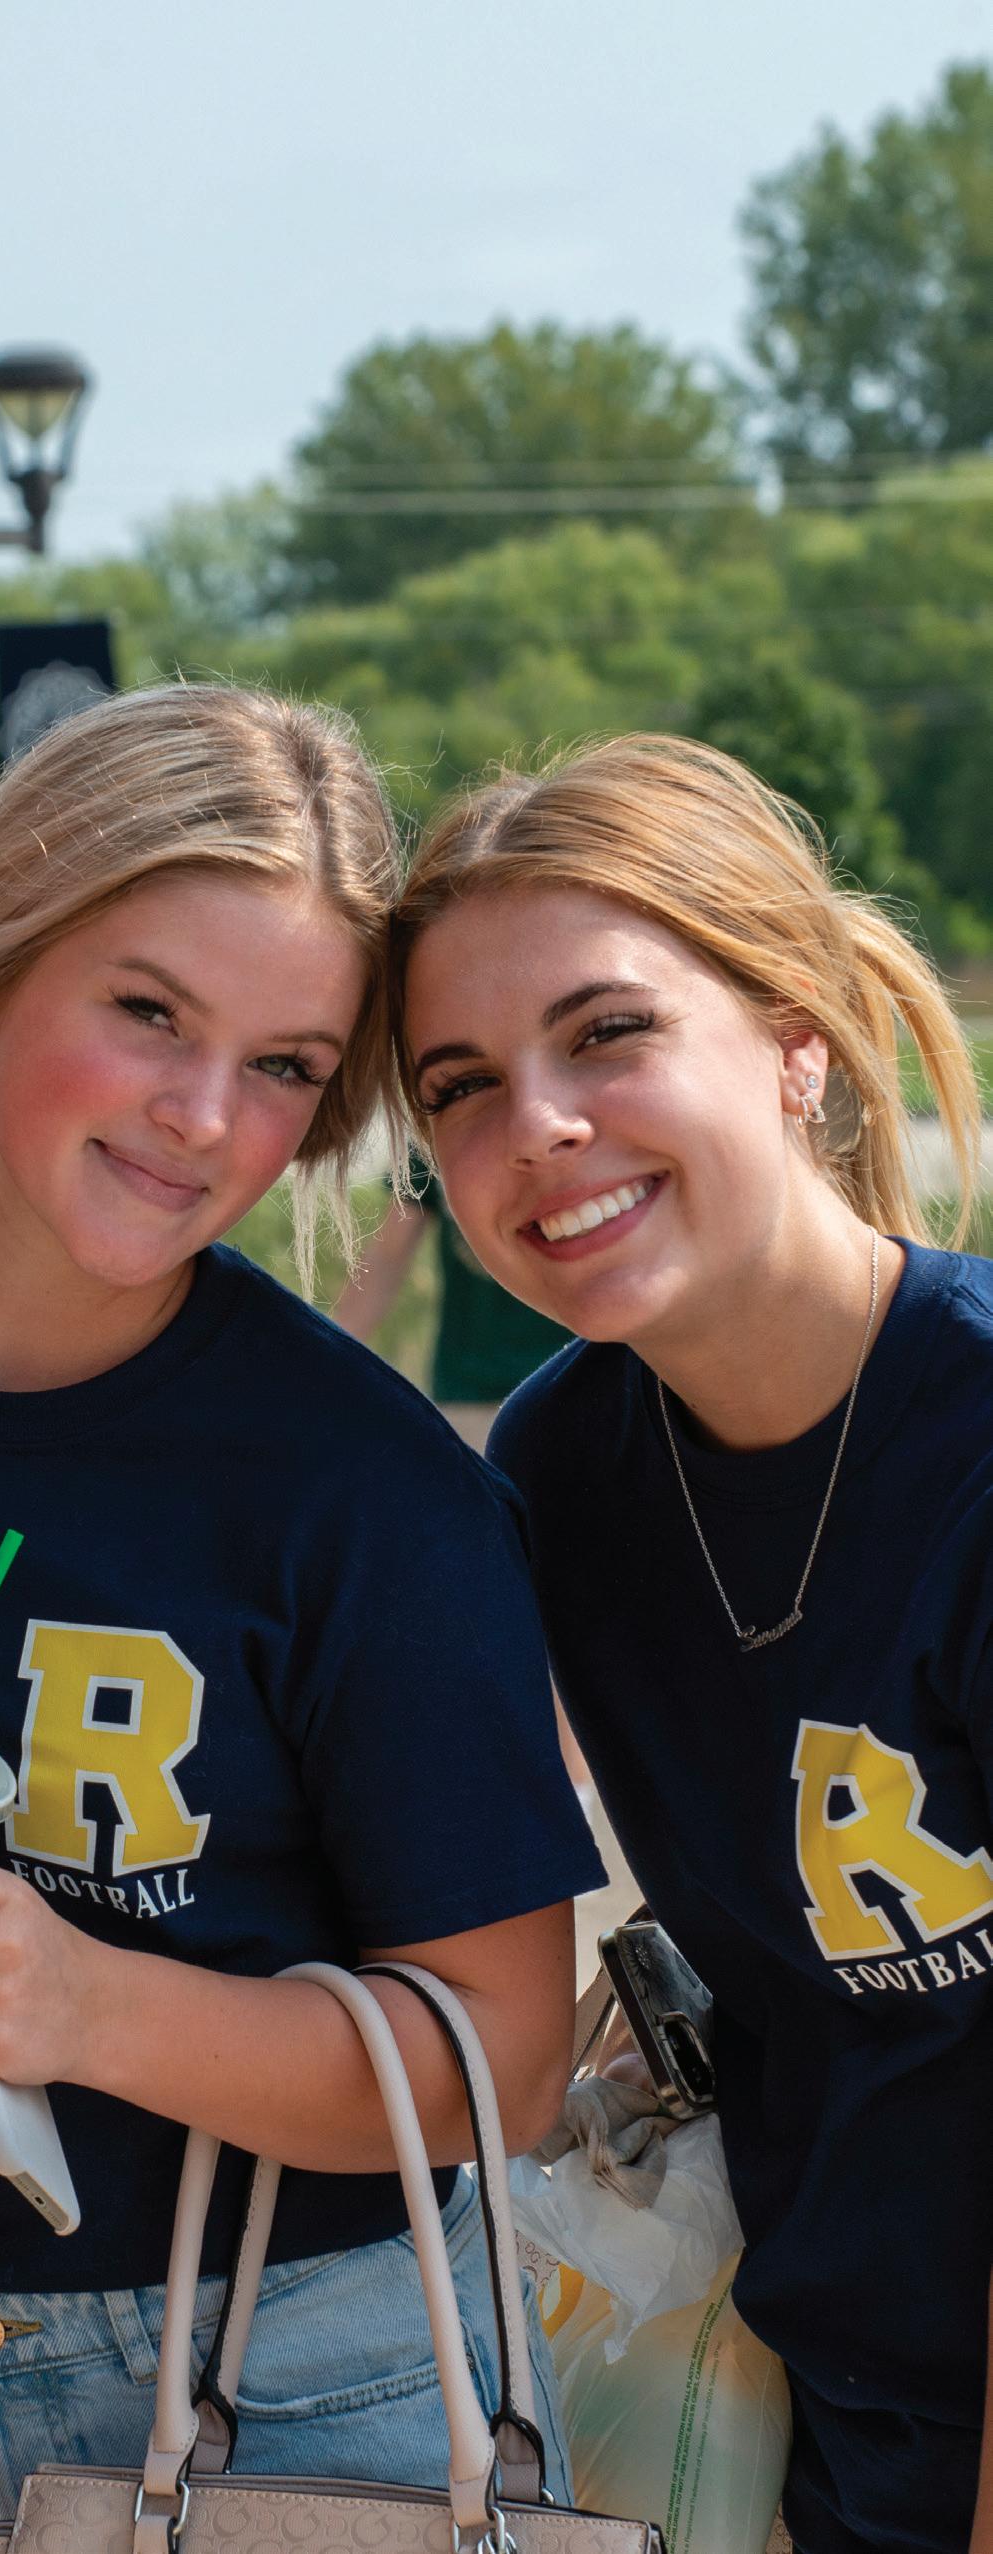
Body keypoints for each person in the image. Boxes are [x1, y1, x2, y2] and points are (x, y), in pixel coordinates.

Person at [0, 684, 604, 2553]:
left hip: (296, 2382)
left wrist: (89, 2002)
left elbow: (506, 2053)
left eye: (285, 1063)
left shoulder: (363, 1488)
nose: (201, 1116)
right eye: (146, 1009)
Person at [388, 733, 990, 2554]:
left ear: (794, 1041)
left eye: (604, 1032)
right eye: (459, 1084)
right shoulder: (565, 1464)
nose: (535, 1125)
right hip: (820, 2428)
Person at [332, 1177, 571, 1452]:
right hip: (468, 1393)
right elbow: (388, 1255)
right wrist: (329, 1355)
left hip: (579, 1384)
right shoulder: (425, 1150)